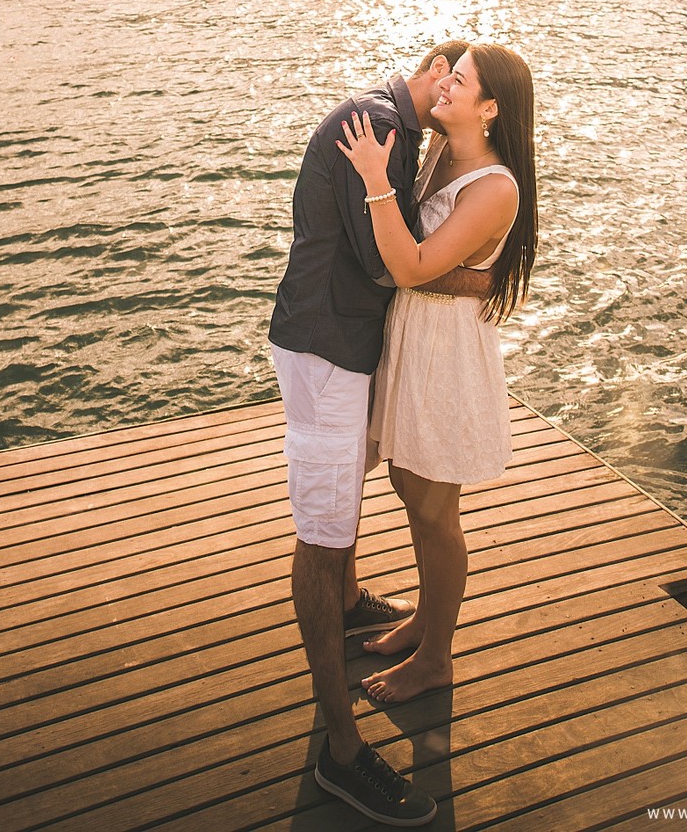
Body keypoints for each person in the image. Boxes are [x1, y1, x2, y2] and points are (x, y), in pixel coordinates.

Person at [269, 42, 493, 828]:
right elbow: (386, 263)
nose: (450, 96)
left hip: (339, 346)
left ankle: (353, 599)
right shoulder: (378, 126)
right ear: (433, 67)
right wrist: (479, 278)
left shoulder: (392, 124)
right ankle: (339, 749)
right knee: (321, 535)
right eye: (452, 79)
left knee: (345, 506)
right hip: (328, 352)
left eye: (464, 87)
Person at [337, 43, 538, 706]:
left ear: (488, 109)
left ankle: (437, 659)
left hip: (443, 353)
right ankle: (423, 623)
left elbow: (412, 266)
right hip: (410, 334)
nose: (443, 84)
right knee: (403, 480)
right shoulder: (439, 152)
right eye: (445, 74)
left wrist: (372, 175)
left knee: (432, 510)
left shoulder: (493, 186)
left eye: (460, 81)